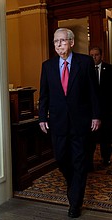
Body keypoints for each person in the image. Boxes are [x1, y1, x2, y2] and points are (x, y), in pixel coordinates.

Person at [38, 28, 101, 218]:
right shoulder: (47, 66)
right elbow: (44, 95)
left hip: (81, 122)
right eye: (55, 41)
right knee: (61, 159)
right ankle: (73, 185)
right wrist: (42, 117)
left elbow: (93, 92)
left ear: (72, 43)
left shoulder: (85, 62)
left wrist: (96, 115)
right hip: (57, 123)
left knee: (80, 162)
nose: (58, 44)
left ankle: (75, 203)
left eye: (62, 41)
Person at [89, 46, 112, 169]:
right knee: (91, 137)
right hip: (91, 110)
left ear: (101, 55)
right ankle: (89, 161)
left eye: (96, 55)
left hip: (106, 110)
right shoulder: (86, 69)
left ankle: (106, 158)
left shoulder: (109, 69)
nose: (93, 57)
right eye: (91, 55)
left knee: (106, 136)